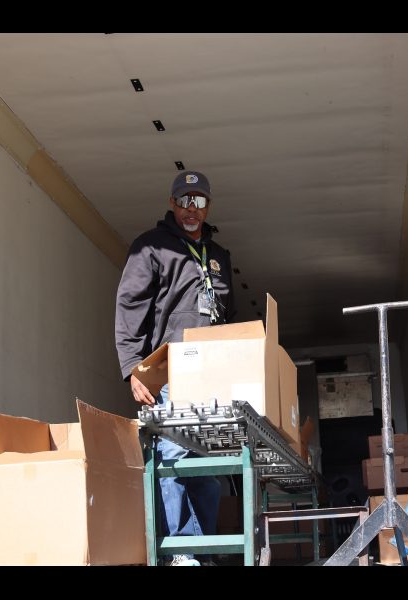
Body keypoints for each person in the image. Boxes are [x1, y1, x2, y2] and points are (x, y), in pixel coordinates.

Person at [115, 170, 235, 566]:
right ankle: (183, 552)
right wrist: (134, 367)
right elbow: (130, 307)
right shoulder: (150, 248)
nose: (191, 209)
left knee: (209, 470)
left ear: (208, 207)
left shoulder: (219, 257)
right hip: (168, 375)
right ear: (172, 203)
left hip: (210, 379)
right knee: (173, 460)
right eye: (184, 201)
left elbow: (226, 321)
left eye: (199, 202)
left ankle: (203, 551)